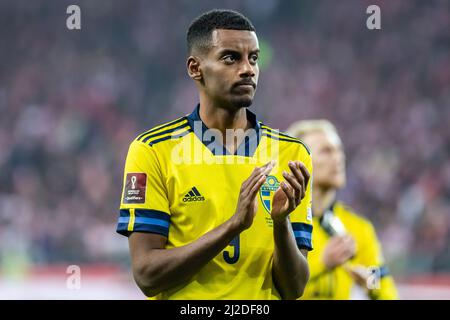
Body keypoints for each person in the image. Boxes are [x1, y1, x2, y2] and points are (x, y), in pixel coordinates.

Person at [115, 9, 314, 300]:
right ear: (196, 68)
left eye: (254, 58)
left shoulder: (292, 153)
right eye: (231, 58)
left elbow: (294, 288)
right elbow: (147, 275)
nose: (248, 69)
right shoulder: (153, 150)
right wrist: (233, 226)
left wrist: (281, 222)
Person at [286, 119, 398, 299]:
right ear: (299, 161)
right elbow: (268, 289)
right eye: (326, 151)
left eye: (339, 150)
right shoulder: (280, 224)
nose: (338, 158)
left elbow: (383, 284)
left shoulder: (357, 228)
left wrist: (369, 283)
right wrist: (322, 263)